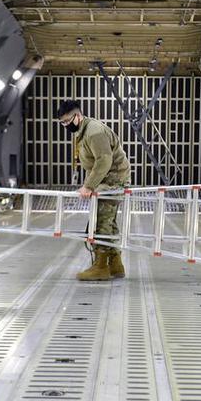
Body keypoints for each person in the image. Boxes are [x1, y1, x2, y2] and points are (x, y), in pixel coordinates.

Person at [56, 100, 131, 281]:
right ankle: (115, 264)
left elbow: (104, 160)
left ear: (78, 116)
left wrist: (89, 186)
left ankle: (100, 267)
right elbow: (93, 164)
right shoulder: (84, 131)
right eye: (62, 123)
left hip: (113, 181)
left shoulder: (94, 131)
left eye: (68, 121)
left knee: (100, 222)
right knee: (109, 222)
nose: (66, 126)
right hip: (107, 180)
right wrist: (89, 184)